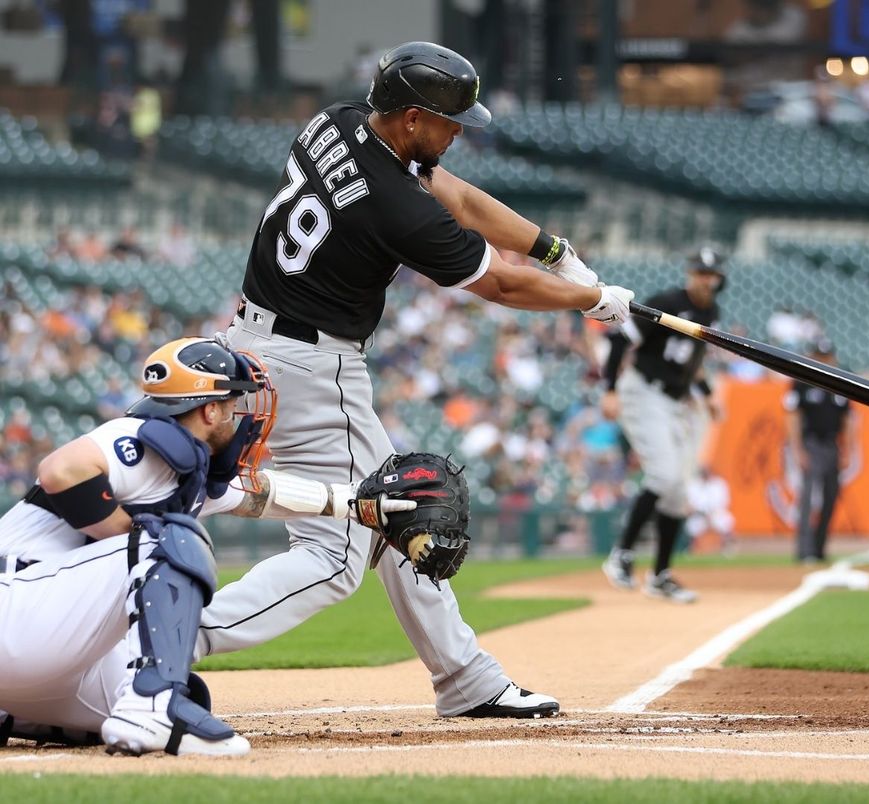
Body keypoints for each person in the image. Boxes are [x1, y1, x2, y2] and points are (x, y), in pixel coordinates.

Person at [205, 41, 634, 719]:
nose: (458, 132)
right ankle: (169, 635)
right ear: (409, 118)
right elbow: (496, 283)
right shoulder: (395, 205)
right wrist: (593, 300)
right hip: (314, 370)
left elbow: (456, 193)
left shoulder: (338, 121)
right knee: (339, 550)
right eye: (447, 120)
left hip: (252, 343)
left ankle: (467, 679)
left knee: (408, 509)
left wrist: (557, 253)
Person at [0, 337, 417, 755]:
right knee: (169, 538)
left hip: (39, 645)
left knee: (184, 695)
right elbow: (61, 470)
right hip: (15, 608)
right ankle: (152, 708)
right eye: (234, 403)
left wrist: (359, 504)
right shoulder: (138, 438)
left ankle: (18, 713)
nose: (240, 416)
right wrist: (131, 535)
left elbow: (262, 495)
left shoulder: (185, 465)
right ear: (209, 408)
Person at [599, 248, 725, 603]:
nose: (705, 279)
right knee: (664, 476)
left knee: (678, 493)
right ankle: (621, 555)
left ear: (718, 278)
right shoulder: (667, 301)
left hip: (675, 402)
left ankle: (661, 575)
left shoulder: (711, 311)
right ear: (690, 273)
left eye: (711, 274)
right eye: (700, 272)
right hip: (643, 392)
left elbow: (692, 362)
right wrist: (608, 389)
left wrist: (708, 393)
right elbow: (621, 339)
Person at [783, 339, 855, 563]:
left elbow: (848, 419)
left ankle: (820, 547)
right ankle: (804, 551)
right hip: (811, 443)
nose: (825, 361)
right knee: (807, 497)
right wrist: (797, 450)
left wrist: (847, 451)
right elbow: (793, 416)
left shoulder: (841, 381)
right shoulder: (803, 381)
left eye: (827, 357)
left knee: (831, 497)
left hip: (832, 443)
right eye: (820, 357)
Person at [685, 465, 736, 556]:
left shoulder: (719, 484)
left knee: (726, 520)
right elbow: (691, 504)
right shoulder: (694, 484)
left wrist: (711, 513)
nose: (706, 474)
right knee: (691, 525)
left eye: (707, 472)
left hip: (716, 514)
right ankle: (690, 549)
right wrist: (702, 513)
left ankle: (727, 547)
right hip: (699, 515)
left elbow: (724, 502)